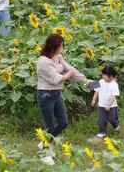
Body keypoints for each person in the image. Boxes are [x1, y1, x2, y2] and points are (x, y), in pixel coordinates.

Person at [36, 34, 89, 165]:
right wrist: (67, 76)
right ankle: (45, 153)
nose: (63, 47)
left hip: (57, 94)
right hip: (45, 95)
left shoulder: (58, 58)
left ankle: (44, 143)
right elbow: (55, 79)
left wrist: (87, 81)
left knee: (63, 122)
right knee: (50, 125)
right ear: (55, 46)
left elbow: (71, 70)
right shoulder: (43, 62)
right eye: (61, 45)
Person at [91, 66, 120, 138]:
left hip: (112, 106)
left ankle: (116, 125)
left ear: (111, 76)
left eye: (105, 75)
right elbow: (96, 91)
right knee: (101, 119)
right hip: (101, 105)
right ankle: (102, 131)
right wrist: (94, 100)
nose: (103, 76)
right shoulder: (100, 81)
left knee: (112, 119)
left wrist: (109, 105)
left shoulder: (114, 84)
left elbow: (114, 96)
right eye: (103, 75)